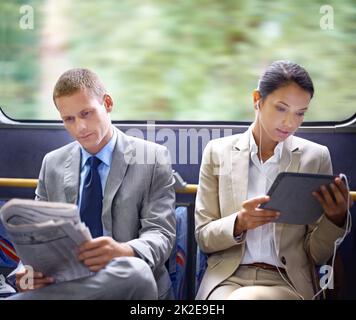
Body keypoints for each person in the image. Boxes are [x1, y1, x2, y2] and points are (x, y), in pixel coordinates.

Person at [7, 68, 176, 300]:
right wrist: (25, 275)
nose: (80, 128)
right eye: (69, 119)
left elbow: (161, 234)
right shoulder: (53, 164)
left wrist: (123, 251)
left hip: (127, 285)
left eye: (86, 113)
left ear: (107, 103)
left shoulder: (153, 158)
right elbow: (35, 240)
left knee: (135, 271)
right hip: (66, 282)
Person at [195, 60, 353, 300]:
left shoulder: (315, 157)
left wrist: (335, 220)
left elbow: (317, 254)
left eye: (300, 113)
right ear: (257, 99)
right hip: (226, 278)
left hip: (287, 281)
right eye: (281, 108)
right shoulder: (217, 152)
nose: (290, 123)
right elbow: (204, 237)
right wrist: (239, 222)